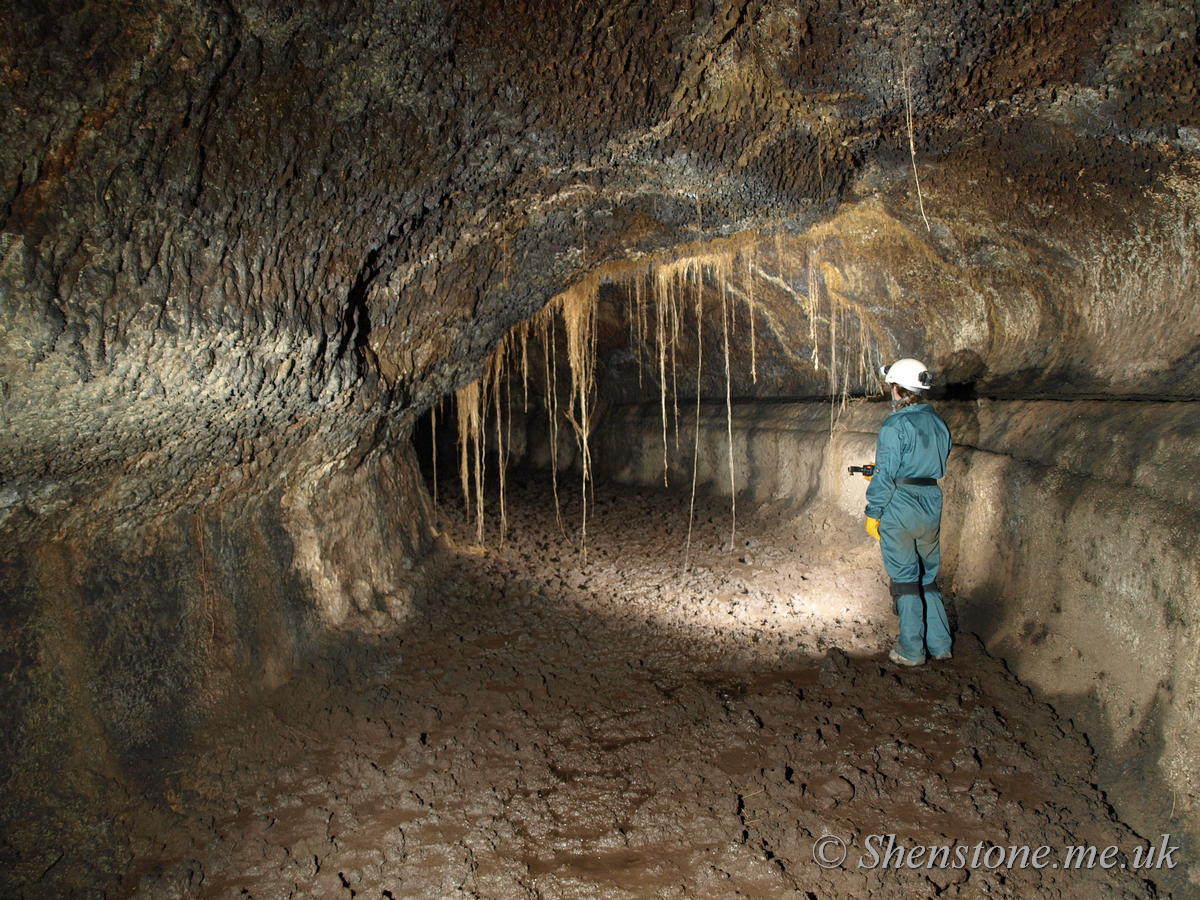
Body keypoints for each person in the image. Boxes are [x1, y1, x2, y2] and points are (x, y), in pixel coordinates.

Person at [863, 358, 952, 666]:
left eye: (892, 388)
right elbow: (925, 464)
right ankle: (940, 644)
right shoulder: (939, 423)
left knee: (904, 579)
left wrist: (874, 511)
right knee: (927, 577)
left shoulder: (895, 424)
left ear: (898, 390)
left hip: (901, 505)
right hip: (931, 502)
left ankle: (911, 650)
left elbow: (886, 474)